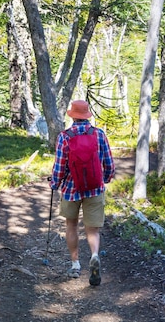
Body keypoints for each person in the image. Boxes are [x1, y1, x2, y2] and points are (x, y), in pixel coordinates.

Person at [50, 100, 115, 286]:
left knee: (71, 224)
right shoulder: (99, 134)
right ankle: (94, 256)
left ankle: (75, 264)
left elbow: (60, 165)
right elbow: (109, 163)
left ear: (72, 115)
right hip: (94, 187)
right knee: (93, 229)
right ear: (87, 115)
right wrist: (106, 178)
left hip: (71, 189)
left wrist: (55, 183)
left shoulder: (64, 137)